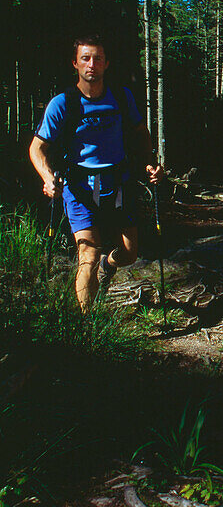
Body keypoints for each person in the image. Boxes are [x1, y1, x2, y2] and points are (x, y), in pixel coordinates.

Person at [29, 34, 164, 310]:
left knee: (129, 253)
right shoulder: (63, 103)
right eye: (86, 59)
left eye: (98, 58)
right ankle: (87, 330)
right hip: (78, 187)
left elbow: (140, 133)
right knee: (87, 253)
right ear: (75, 64)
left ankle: (109, 264)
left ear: (106, 63)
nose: (92, 64)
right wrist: (47, 177)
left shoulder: (121, 97)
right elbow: (37, 148)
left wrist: (150, 163)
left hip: (118, 183)